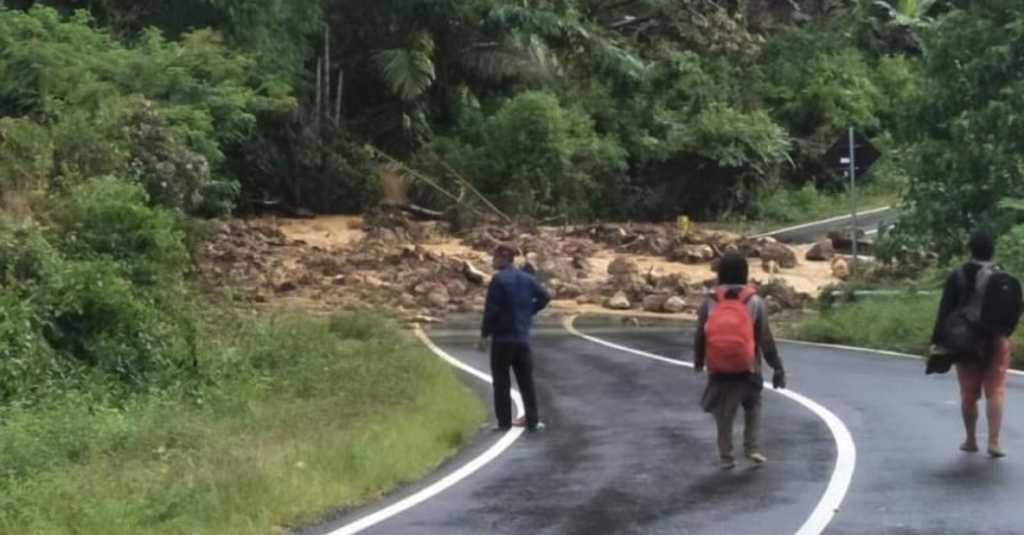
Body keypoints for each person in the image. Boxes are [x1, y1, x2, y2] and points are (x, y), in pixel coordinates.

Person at [694, 252, 786, 469]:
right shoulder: (754, 300)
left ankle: (727, 456)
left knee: (723, 413)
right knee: (753, 404)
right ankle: (751, 447)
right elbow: (765, 338)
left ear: (721, 273)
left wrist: (699, 359)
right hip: (748, 368)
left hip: (718, 368)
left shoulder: (710, 300)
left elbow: (701, 333)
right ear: (744, 272)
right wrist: (777, 366)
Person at [931, 230, 1010, 458]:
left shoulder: (958, 275)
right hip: (996, 339)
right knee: (995, 391)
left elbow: (945, 309)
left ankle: (971, 440)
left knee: (968, 393)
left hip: (966, 341)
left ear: (970, 249)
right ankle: (994, 442)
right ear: (992, 249)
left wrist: (937, 341)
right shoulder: (1001, 274)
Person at [479, 243, 551, 432]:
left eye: (495, 257)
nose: (493, 260)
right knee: (526, 380)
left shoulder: (499, 280)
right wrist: (529, 312)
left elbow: (491, 310)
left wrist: (484, 334)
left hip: (503, 339)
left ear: (502, 258)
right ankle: (533, 420)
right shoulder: (527, 279)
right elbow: (545, 297)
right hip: (522, 338)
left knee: (501, 380)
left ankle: (504, 423)